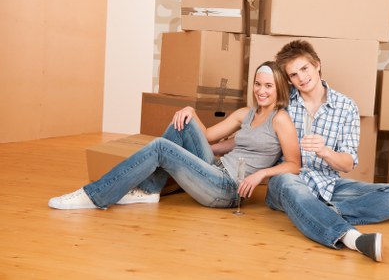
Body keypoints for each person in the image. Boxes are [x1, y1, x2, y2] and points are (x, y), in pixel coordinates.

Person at [48, 61, 301, 210]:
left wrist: (262, 174)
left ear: (278, 88)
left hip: (228, 189)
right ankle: (149, 191)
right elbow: (208, 136)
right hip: (215, 168)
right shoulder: (246, 113)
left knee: (160, 147)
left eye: (268, 86)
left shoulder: (280, 119)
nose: (261, 90)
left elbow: (294, 165)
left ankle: (94, 196)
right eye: (258, 84)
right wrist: (190, 110)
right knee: (183, 124)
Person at [264, 40, 389, 262]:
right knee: (286, 181)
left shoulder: (346, 107)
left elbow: (347, 164)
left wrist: (325, 151)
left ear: (317, 65)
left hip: (329, 185)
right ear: (289, 79)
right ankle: (352, 238)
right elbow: (258, 137)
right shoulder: (283, 104)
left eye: (304, 69)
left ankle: (315, 211)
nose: (301, 78)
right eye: (294, 75)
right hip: (289, 181)